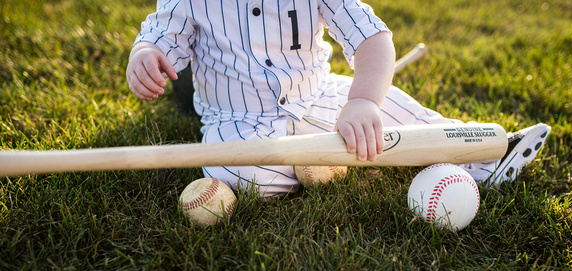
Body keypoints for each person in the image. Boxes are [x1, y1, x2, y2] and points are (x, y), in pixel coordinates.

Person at [126, 0, 550, 198]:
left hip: (322, 97)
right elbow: (160, 39)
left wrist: (363, 100)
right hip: (242, 121)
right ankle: (324, 164)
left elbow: (373, 38)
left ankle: (492, 154)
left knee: (401, 113)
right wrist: (145, 57)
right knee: (237, 174)